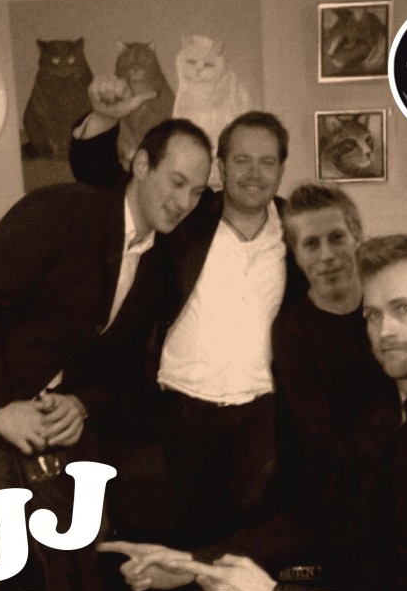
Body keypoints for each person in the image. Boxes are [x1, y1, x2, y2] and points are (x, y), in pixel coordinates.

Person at [110, 234, 407, 591]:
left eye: (403, 309)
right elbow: (317, 520)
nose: (384, 331)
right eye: (373, 315)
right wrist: (192, 562)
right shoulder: (383, 417)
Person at [0, 118, 212, 591]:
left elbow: (123, 366)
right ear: (141, 164)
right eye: (176, 182)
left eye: (196, 191)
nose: (184, 201)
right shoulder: (61, 211)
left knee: (80, 561)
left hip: (55, 430)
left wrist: (82, 403)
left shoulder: (164, 260)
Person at [97, 185, 394, 591]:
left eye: (336, 238)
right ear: (294, 252)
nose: (326, 255)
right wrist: (193, 563)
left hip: (401, 501)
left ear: (356, 234)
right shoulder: (292, 332)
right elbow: (321, 472)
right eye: (311, 244)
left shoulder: (389, 312)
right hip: (333, 511)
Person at [70, 79, 308, 555]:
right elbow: (104, 182)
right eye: (241, 160)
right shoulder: (185, 221)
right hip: (184, 412)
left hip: (261, 415)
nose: (254, 173)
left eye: (267, 162)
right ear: (221, 166)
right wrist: (103, 121)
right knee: (191, 541)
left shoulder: (298, 232)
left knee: (254, 542)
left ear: (282, 169)